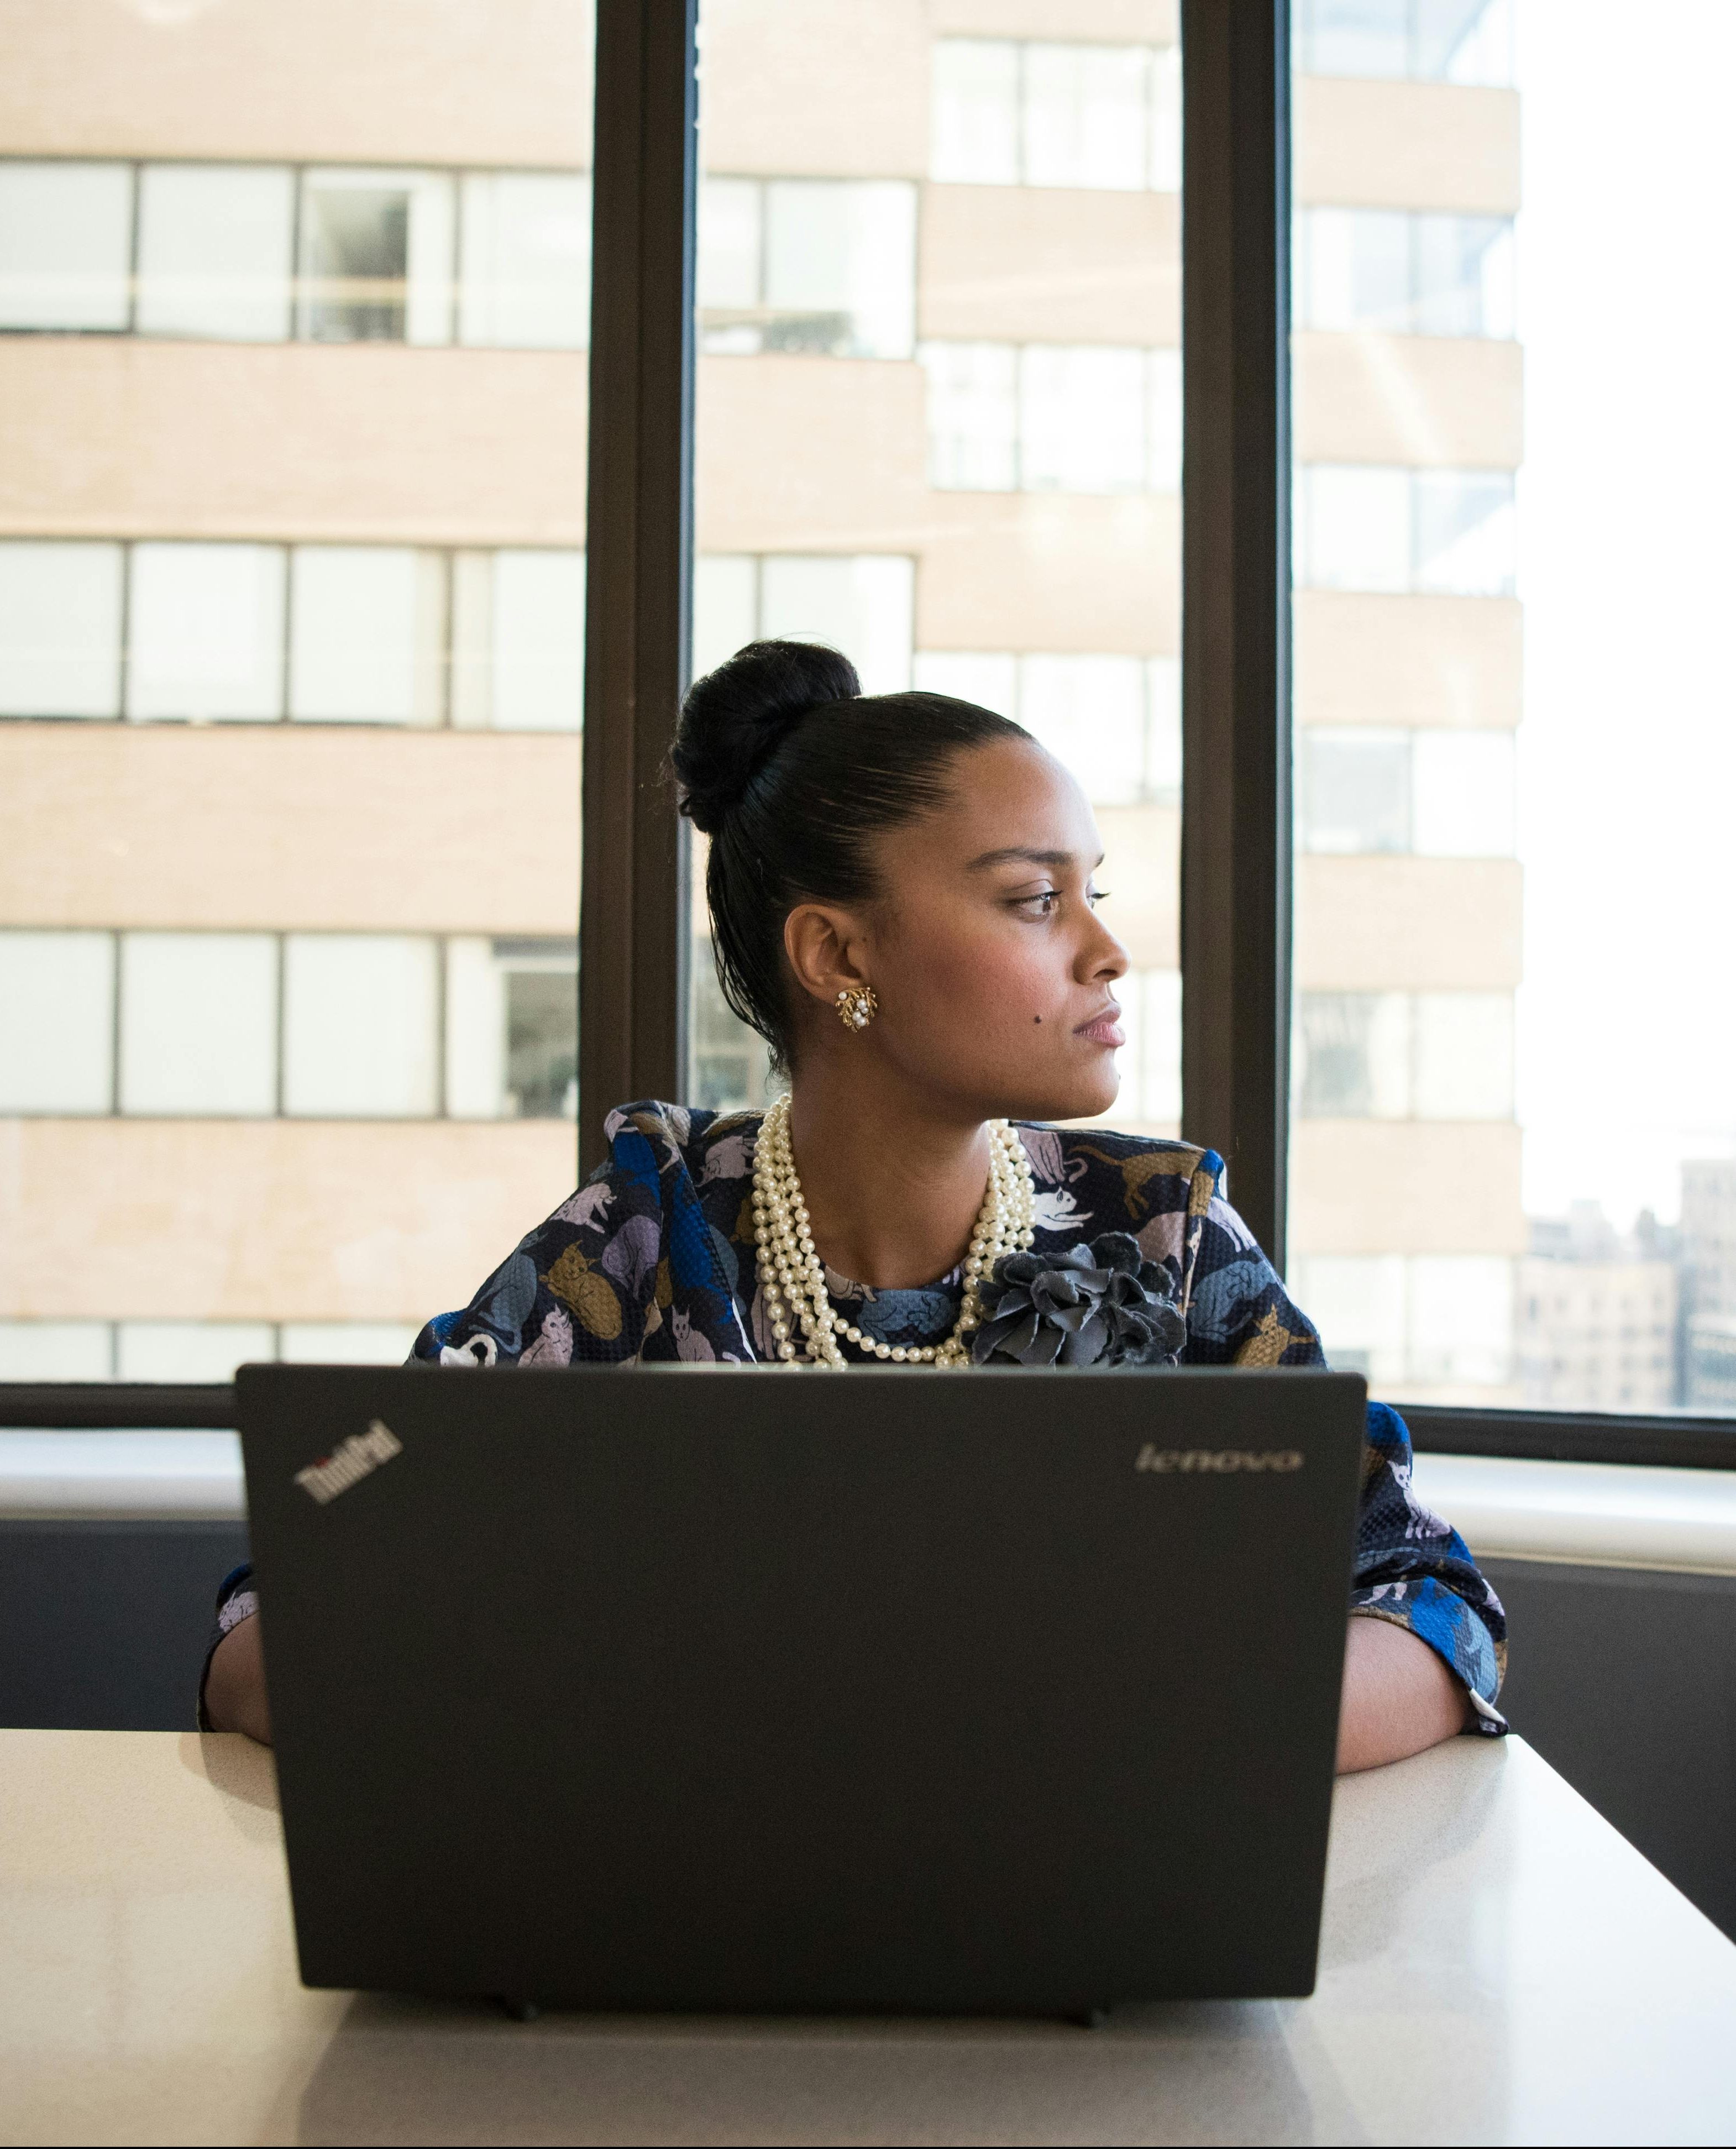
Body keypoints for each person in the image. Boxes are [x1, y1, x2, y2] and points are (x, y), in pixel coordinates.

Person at [205, 639, 1506, 1767]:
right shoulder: (643, 1237)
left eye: (1090, 893)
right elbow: (279, 1612)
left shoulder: (1163, 1235)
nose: (1106, 951)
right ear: (837, 956)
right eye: (1033, 900)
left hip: (1085, 1948)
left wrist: (1148, 1731)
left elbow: (1429, 1600)